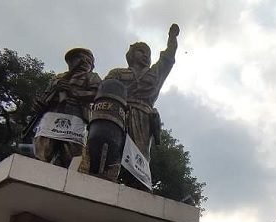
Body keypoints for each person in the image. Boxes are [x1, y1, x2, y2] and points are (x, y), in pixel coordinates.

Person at [105, 24, 179, 163]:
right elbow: (104, 91)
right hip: (117, 112)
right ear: (131, 55)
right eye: (141, 51)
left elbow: (168, 57)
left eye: (148, 53)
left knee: (139, 157)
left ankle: (137, 182)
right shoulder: (117, 73)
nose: (145, 55)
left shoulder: (155, 73)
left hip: (142, 116)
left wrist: (172, 37)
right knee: (111, 152)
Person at [32, 48, 101, 168]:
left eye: (87, 60)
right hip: (52, 115)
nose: (82, 61)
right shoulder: (58, 78)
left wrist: (74, 92)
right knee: (43, 151)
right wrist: (40, 104)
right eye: (77, 58)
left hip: (76, 116)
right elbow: (46, 96)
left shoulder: (91, 77)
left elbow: (97, 95)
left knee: (73, 156)